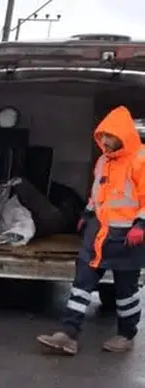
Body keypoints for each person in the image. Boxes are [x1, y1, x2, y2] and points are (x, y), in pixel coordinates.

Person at [37, 106, 145, 355]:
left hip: (127, 238)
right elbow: (98, 192)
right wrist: (87, 214)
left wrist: (141, 225)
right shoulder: (103, 161)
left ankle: (126, 334)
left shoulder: (140, 160)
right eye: (102, 137)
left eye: (109, 137)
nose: (104, 142)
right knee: (81, 283)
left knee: (125, 292)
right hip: (98, 234)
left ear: (122, 135)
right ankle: (68, 333)